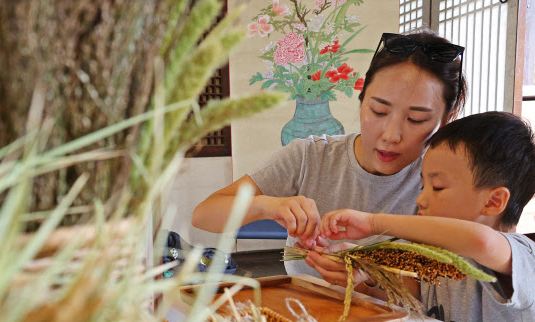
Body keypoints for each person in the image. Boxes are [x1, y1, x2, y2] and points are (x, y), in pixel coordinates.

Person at [191, 30, 466, 278]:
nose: (391, 135)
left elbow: (450, 277)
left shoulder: (442, 181)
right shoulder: (311, 156)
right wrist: (270, 205)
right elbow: (204, 215)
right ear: (362, 97)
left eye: (416, 119)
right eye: (378, 112)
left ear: (445, 120)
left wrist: (367, 277)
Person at [316, 111, 535, 322]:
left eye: (437, 187)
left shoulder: (519, 253)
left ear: (493, 201)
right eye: (423, 186)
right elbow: (408, 298)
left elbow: (481, 241)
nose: (420, 199)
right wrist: (364, 275)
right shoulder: (437, 255)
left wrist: (373, 223)